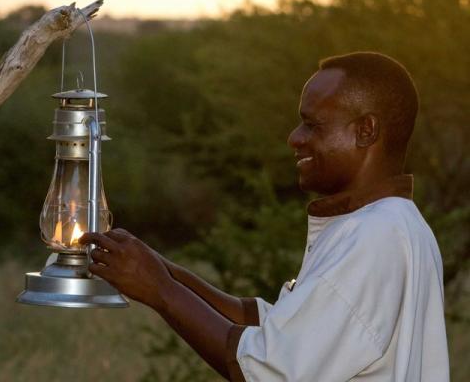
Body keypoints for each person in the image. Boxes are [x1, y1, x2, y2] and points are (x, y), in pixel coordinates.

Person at [80, 52, 449, 381]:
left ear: (366, 130)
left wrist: (160, 290)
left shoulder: (375, 236)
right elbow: (279, 329)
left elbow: (269, 368)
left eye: (313, 125)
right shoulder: (386, 223)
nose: (294, 138)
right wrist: (161, 269)